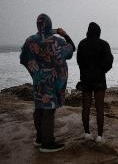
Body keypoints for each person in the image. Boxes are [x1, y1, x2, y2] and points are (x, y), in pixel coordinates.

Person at [20, 14, 75, 152]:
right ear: (50, 25)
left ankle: (40, 138)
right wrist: (64, 34)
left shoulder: (29, 41)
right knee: (49, 111)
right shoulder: (56, 41)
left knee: (39, 108)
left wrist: (36, 71)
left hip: (38, 82)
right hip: (52, 82)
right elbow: (72, 48)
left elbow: (23, 58)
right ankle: (48, 143)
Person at [77, 22, 113, 143]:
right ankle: (99, 136)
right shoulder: (104, 44)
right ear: (99, 31)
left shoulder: (82, 44)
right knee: (99, 108)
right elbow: (109, 62)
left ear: (88, 31)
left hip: (86, 80)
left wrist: (86, 72)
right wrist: (101, 71)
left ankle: (87, 133)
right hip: (99, 80)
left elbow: (79, 62)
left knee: (85, 108)